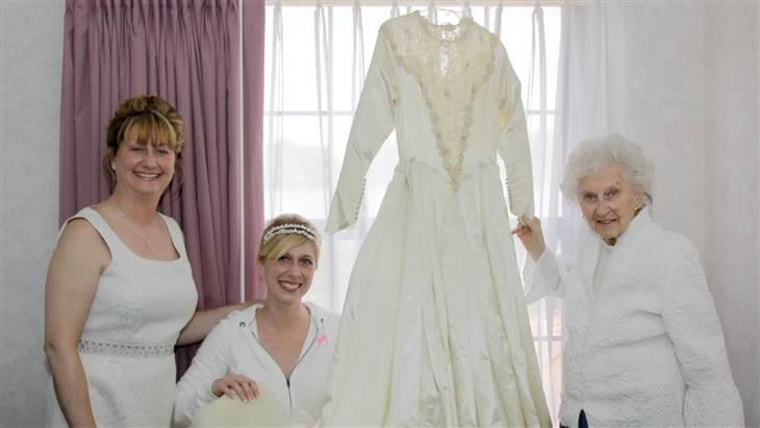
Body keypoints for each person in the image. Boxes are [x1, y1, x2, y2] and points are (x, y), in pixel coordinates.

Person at [44, 95, 252, 427]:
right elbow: (58, 345)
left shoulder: (172, 231)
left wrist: (245, 309)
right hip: (94, 408)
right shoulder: (85, 232)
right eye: (138, 148)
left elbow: (166, 329)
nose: (150, 162)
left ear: (175, 162)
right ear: (113, 159)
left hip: (154, 408)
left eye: (162, 151)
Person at [513, 134, 745, 427]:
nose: (601, 208)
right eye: (589, 197)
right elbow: (570, 287)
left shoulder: (670, 253)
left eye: (612, 193)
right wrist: (538, 250)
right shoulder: (590, 248)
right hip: (579, 416)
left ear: (637, 194)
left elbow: (707, 370)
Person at [173, 214, 340, 427]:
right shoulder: (231, 333)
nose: (294, 271)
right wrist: (212, 389)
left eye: (305, 261)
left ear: (314, 269)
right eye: (283, 258)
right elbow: (178, 409)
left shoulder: (336, 329)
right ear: (261, 265)